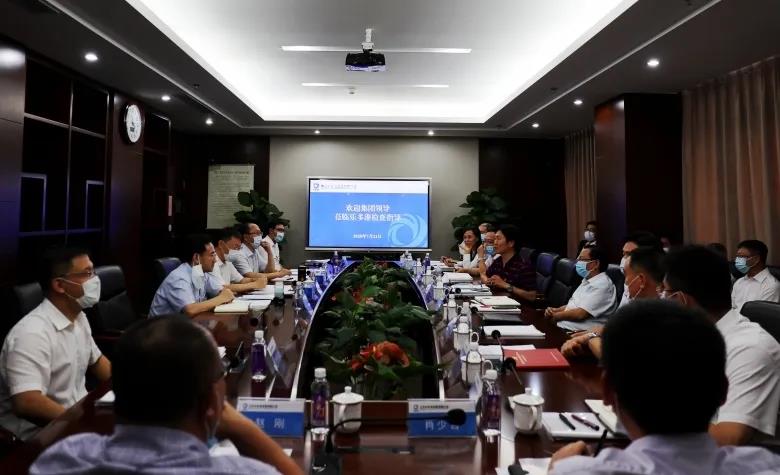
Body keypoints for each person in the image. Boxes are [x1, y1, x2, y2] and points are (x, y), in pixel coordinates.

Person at [30, 317, 302, 475]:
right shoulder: (240, 471)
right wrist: (244, 428)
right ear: (210, 403)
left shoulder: (64, 458)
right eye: (221, 374)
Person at [549, 300, 780, 474]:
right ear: (723, 392)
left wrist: (560, 468)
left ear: (608, 393)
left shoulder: (578, 471)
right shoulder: (767, 465)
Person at [662, 245, 780, 446]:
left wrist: (647, 415)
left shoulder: (751, 349)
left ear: (681, 299)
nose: (661, 299)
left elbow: (728, 438)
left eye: (665, 292)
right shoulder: (693, 336)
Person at [0, 248, 111, 440]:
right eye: (87, 273)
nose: (95, 279)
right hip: (40, 437)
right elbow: (27, 403)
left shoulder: (79, 317)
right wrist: (83, 425)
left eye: (93, 271)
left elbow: (98, 362)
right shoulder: (31, 334)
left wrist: (132, 386)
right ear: (60, 285)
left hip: (78, 417)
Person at [561, 246, 664, 359]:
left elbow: (617, 357)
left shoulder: (658, 316)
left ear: (641, 280)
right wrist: (590, 338)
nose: (625, 282)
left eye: (625, 275)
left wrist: (590, 338)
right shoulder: (641, 306)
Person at [149, 234, 235, 317]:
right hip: (162, 326)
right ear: (196, 258)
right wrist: (221, 298)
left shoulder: (201, 273)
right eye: (212, 255)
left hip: (183, 323)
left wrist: (223, 293)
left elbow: (220, 290)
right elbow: (190, 310)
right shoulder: (179, 278)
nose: (215, 260)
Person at [544, 245, 616, 332]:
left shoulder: (602, 285)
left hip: (576, 333)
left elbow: (580, 314)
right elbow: (573, 305)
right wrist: (555, 310)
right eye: (578, 259)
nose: (577, 262)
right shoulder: (587, 279)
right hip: (562, 326)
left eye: (582, 259)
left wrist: (555, 316)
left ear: (596, 264)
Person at [479, 225, 536, 301]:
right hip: (496, 301)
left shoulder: (523, 266)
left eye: (498, 239)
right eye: (495, 239)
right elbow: (484, 275)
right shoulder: (497, 261)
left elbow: (532, 296)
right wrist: (488, 281)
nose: (495, 242)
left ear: (510, 243)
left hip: (518, 306)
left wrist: (505, 285)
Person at [209, 227, 268, 294]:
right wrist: (254, 284)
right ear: (221, 244)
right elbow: (222, 288)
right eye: (235, 246)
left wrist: (254, 280)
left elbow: (241, 280)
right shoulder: (211, 263)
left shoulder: (227, 262)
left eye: (239, 248)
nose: (237, 251)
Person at [731, 239, 780, 311]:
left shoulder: (771, 286)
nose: (737, 260)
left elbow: (762, 314)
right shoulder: (739, 282)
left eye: (742, 257)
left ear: (756, 259)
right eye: (737, 257)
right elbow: (733, 308)